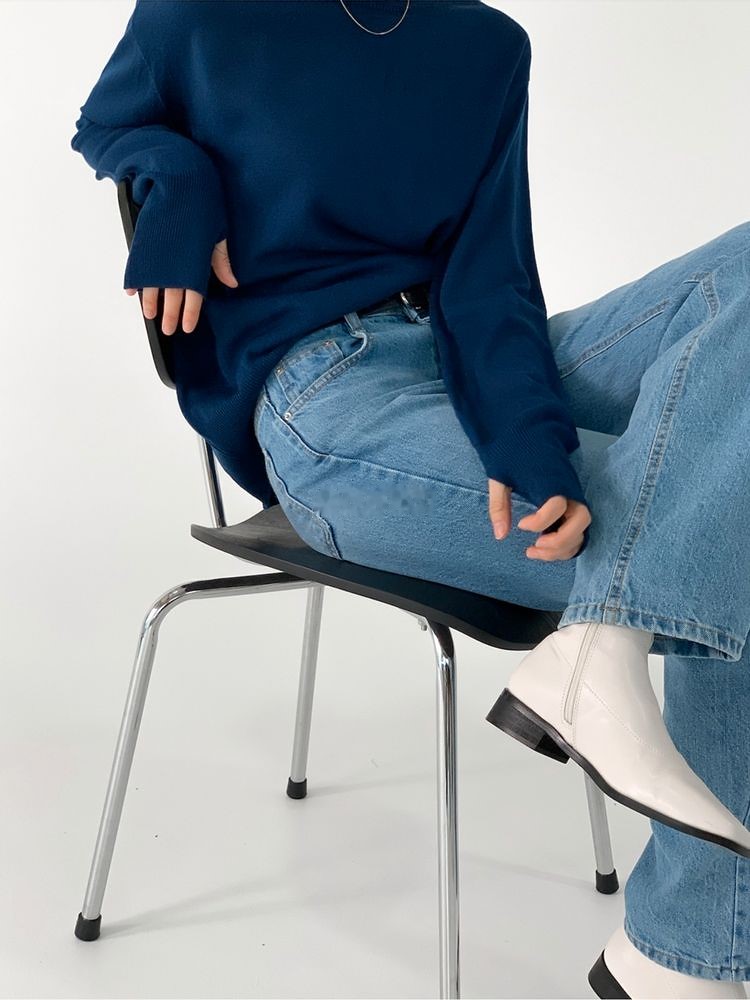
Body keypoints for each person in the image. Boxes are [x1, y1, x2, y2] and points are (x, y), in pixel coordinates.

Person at [70, 1, 750, 995]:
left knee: (725, 441)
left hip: (469, 362)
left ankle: (599, 661)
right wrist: (175, 177)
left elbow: (490, 276)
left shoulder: (483, 46)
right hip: (325, 398)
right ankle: (681, 953)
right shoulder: (205, 11)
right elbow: (111, 119)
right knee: (719, 502)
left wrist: (527, 438)